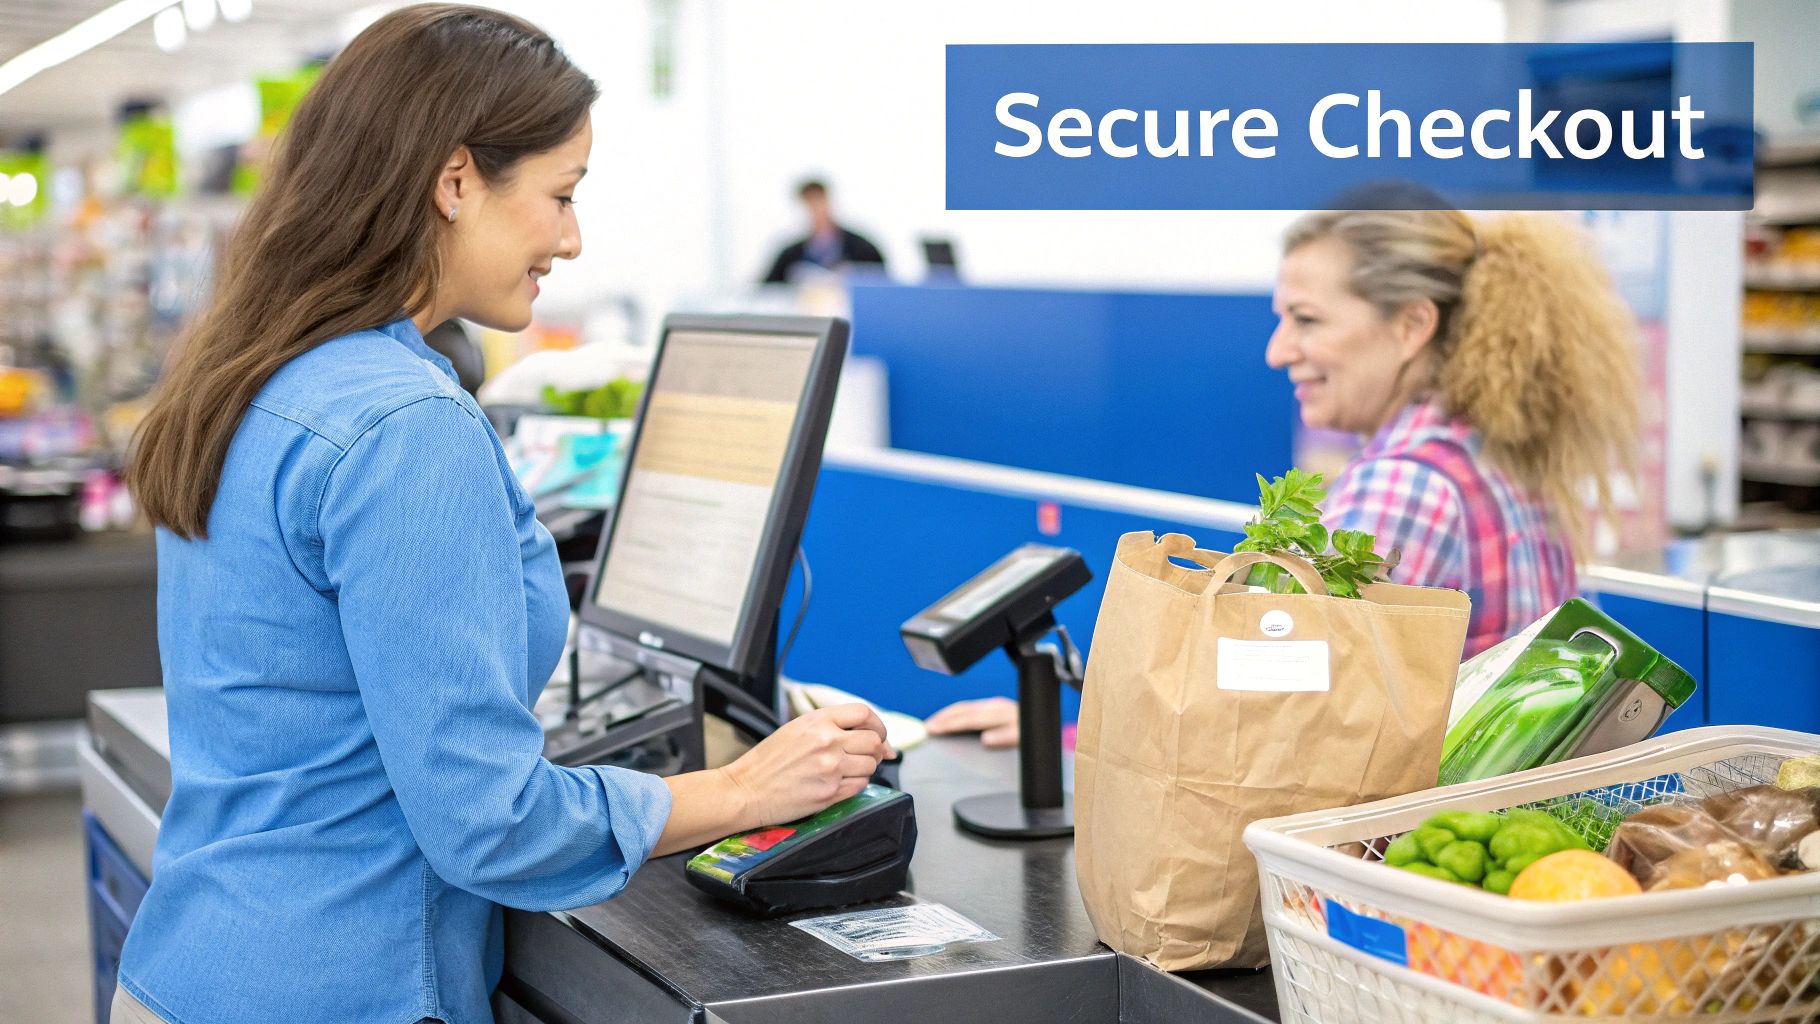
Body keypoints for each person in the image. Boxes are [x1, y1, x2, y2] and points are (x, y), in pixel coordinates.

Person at [115, 8, 888, 1024]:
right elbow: (492, 824)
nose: (570, 238)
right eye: (560, 196)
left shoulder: (256, 376)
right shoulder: (405, 424)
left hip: (195, 969)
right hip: (347, 990)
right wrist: (745, 790)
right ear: (453, 181)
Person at [928, 209, 1639, 748]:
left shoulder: (1404, 487)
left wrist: (1071, 738)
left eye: (1306, 320)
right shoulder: (1499, 454)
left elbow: (1273, 719)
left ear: (1411, 325)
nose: (1277, 352)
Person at [761, 179, 886, 283]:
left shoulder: (863, 249)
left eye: (819, 201)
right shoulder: (790, 255)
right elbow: (766, 289)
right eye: (809, 203)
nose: (816, 210)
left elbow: (882, 283)